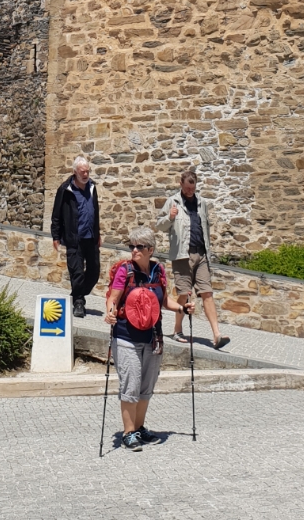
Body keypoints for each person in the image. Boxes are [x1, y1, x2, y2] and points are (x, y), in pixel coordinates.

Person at [104, 225, 192, 452]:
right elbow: (113, 298)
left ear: (150, 249)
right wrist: (110, 312)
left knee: (146, 386)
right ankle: (128, 433)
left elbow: (164, 301)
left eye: (139, 246)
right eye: (131, 246)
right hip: (126, 336)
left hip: (153, 338)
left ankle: (139, 427)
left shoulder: (158, 271)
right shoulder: (125, 270)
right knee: (130, 385)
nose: (134, 250)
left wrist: (182, 309)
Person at [157, 169, 230, 349]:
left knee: (207, 292)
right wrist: (170, 217)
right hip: (182, 255)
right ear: (180, 185)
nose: (190, 191)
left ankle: (217, 335)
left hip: (201, 254)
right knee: (184, 293)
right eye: (187, 188)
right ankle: (177, 330)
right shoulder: (172, 201)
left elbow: (205, 228)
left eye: (193, 188)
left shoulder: (202, 203)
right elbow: (159, 225)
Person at [50, 154, 101, 318]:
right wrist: (56, 236)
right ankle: (79, 302)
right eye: (82, 172)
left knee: (94, 272)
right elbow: (56, 215)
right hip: (74, 238)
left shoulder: (92, 187)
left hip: (91, 238)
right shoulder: (65, 190)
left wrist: (98, 233)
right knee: (77, 272)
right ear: (75, 172)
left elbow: (95, 212)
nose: (85, 175)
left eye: (87, 171)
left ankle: (76, 294)